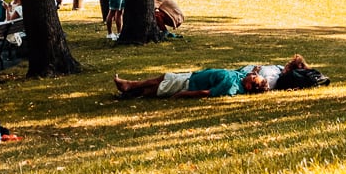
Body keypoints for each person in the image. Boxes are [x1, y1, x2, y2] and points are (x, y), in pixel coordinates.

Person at [113, 68, 269, 99]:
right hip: (191, 76)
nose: (253, 74)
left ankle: (129, 89)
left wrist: (183, 95)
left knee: (158, 88)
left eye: (255, 77)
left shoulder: (232, 86)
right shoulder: (242, 77)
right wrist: (255, 70)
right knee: (163, 78)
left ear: (249, 86)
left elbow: (208, 93)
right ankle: (130, 86)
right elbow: (248, 72)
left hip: (189, 84)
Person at [236, 54, 309, 90]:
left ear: (289, 69)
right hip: (246, 70)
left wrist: (253, 72)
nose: (286, 64)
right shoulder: (280, 69)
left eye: (288, 65)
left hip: (244, 74)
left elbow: (260, 84)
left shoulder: (274, 79)